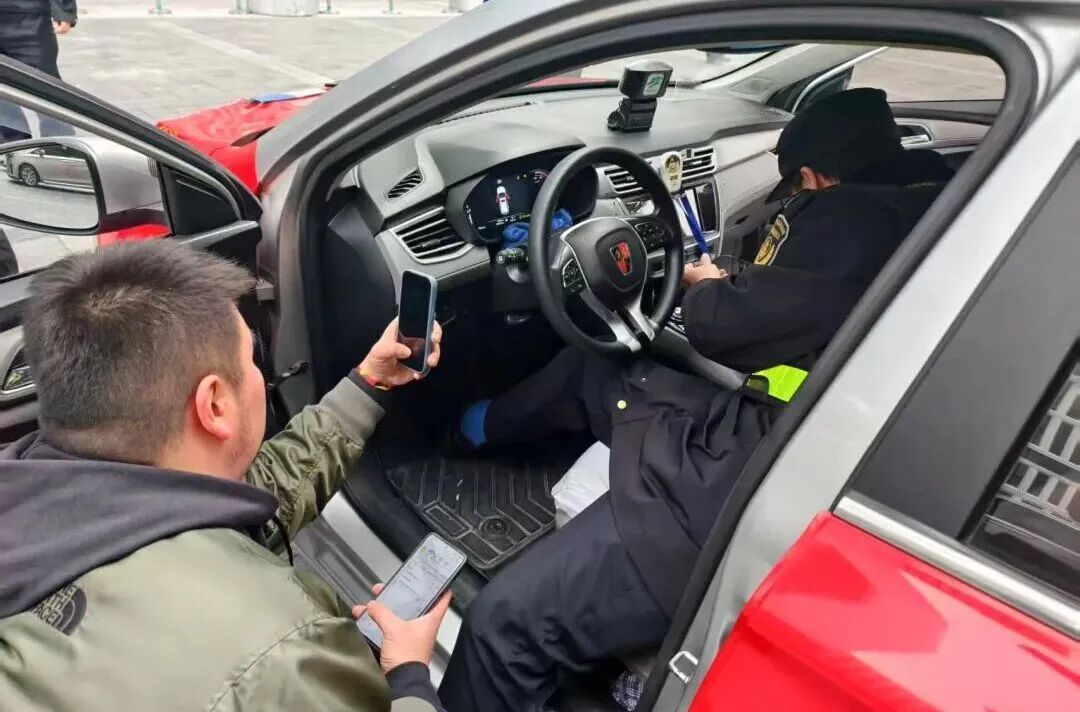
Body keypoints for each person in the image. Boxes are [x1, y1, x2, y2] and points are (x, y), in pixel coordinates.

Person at [439, 88, 951, 712]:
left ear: (814, 176)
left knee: (501, 627)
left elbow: (725, 330)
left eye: (797, 185)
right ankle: (475, 428)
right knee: (596, 368)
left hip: (763, 463)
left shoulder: (851, 218)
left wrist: (707, 289)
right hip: (831, 427)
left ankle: (464, 431)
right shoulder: (938, 193)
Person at [0, 241, 448, 711]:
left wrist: (370, 382)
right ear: (213, 404)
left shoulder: (50, 498)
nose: (258, 374)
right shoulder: (280, 658)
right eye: (251, 360)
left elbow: (259, 494)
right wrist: (409, 677)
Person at [0, 0, 77, 141]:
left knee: (45, 87)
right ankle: (13, 144)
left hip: (28, 16)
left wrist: (64, 10)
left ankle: (59, 143)